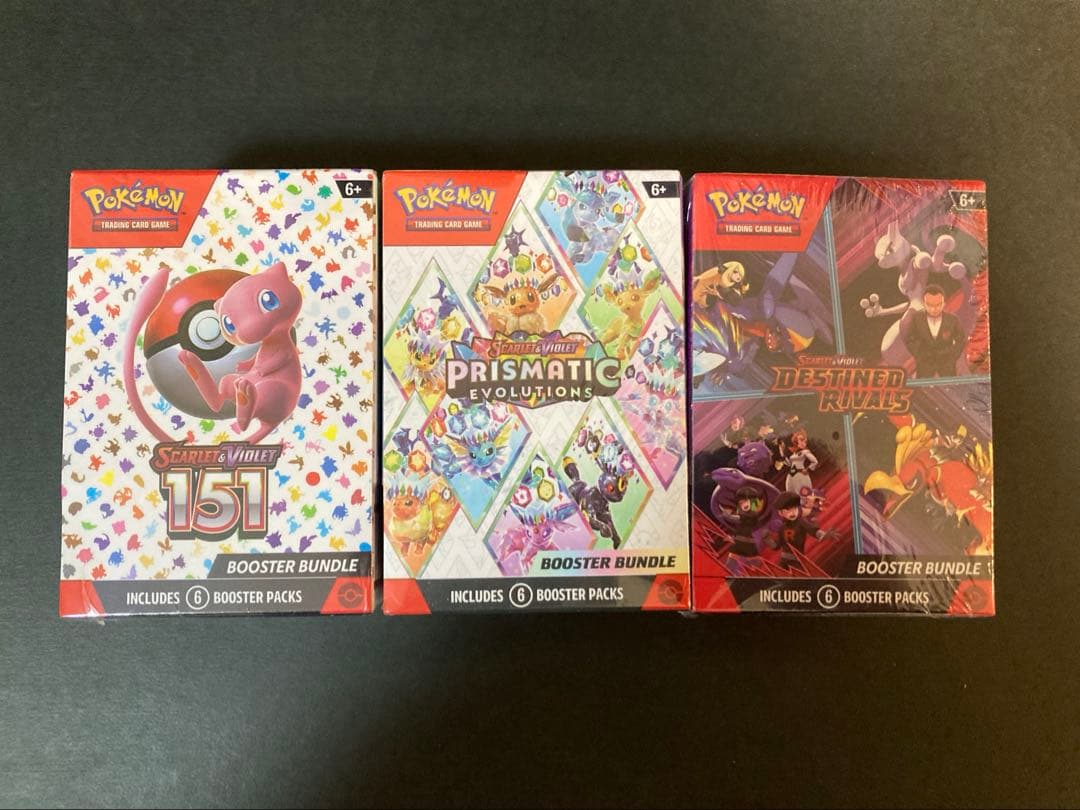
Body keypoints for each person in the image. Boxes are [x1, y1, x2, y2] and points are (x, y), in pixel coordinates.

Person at [903, 285, 964, 378]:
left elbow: (961, 339)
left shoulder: (952, 320)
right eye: (930, 305)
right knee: (923, 386)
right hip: (924, 364)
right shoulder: (916, 319)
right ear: (924, 303)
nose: (934, 309)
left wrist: (953, 357)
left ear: (944, 303)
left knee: (950, 386)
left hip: (947, 365)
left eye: (938, 305)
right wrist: (919, 355)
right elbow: (910, 339)